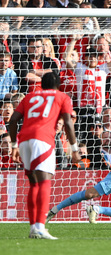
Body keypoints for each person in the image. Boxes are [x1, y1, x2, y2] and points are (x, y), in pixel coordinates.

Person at [9, 72, 81, 239]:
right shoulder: (62, 97)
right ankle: (40, 226)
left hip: (24, 140)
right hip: (43, 140)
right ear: (58, 84)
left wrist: (14, 145)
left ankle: (34, 227)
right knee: (44, 181)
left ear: (42, 84)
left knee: (33, 183)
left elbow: (13, 120)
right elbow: (68, 123)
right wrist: (74, 149)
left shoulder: (29, 96)